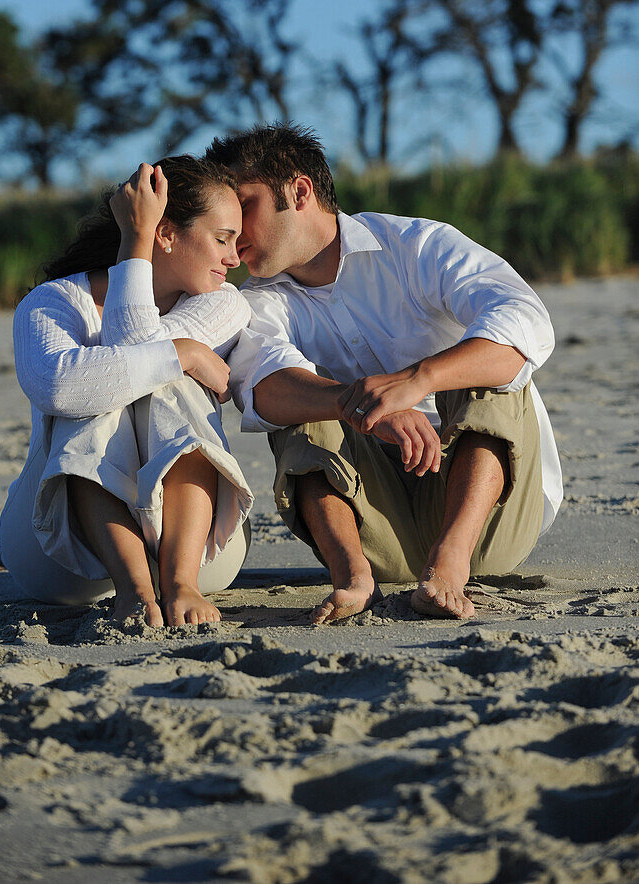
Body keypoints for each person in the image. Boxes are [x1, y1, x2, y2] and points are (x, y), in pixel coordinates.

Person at [206, 123, 562, 623]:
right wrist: (356, 403)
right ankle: (353, 577)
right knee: (297, 402)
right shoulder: (258, 303)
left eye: (244, 205)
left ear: (299, 190)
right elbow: (259, 386)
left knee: (492, 363)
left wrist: (420, 380)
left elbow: (526, 320)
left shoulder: (415, 245)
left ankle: (450, 563)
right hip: (378, 532)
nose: (232, 231)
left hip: (487, 520)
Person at [0, 157, 254, 628]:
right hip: (59, 551)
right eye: (222, 239)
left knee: (159, 379)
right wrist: (136, 243)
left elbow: (133, 349)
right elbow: (60, 387)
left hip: (201, 553)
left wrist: (182, 354)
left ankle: (178, 584)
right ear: (165, 233)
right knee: (96, 388)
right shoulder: (53, 302)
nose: (235, 259)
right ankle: (133, 587)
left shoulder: (222, 303)